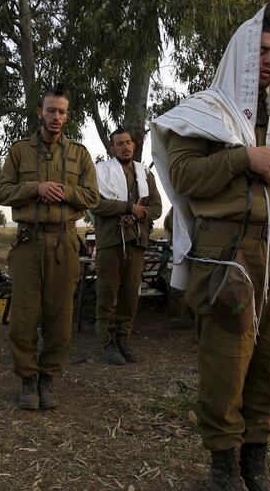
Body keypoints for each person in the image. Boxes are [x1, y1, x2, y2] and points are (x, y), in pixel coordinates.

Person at [151, 5, 270, 491]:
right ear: (241, 56)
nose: (269, 60)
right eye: (261, 52)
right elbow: (183, 176)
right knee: (227, 361)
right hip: (228, 255)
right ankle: (223, 467)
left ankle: (255, 461)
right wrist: (244, 156)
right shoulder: (204, 112)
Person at [0, 85, 99, 412]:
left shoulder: (80, 154)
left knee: (59, 315)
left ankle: (48, 378)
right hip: (28, 241)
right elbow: (2, 193)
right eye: (51, 110)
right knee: (24, 316)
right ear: (40, 112)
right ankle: (27, 378)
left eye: (62, 112)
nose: (56, 117)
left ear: (67, 116)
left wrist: (64, 192)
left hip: (65, 241)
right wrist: (35, 188)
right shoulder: (19, 151)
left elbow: (92, 197)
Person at [92, 127, 163, 365]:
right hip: (110, 241)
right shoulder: (100, 172)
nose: (125, 147)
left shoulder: (144, 173)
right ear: (112, 148)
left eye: (129, 142)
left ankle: (123, 339)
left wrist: (136, 215)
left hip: (136, 243)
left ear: (134, 145)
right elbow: (95, 204)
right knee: (107, 292)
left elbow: (156, 208)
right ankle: (107, 343)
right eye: (120, 143)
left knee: (130, 294)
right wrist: (126, 207)